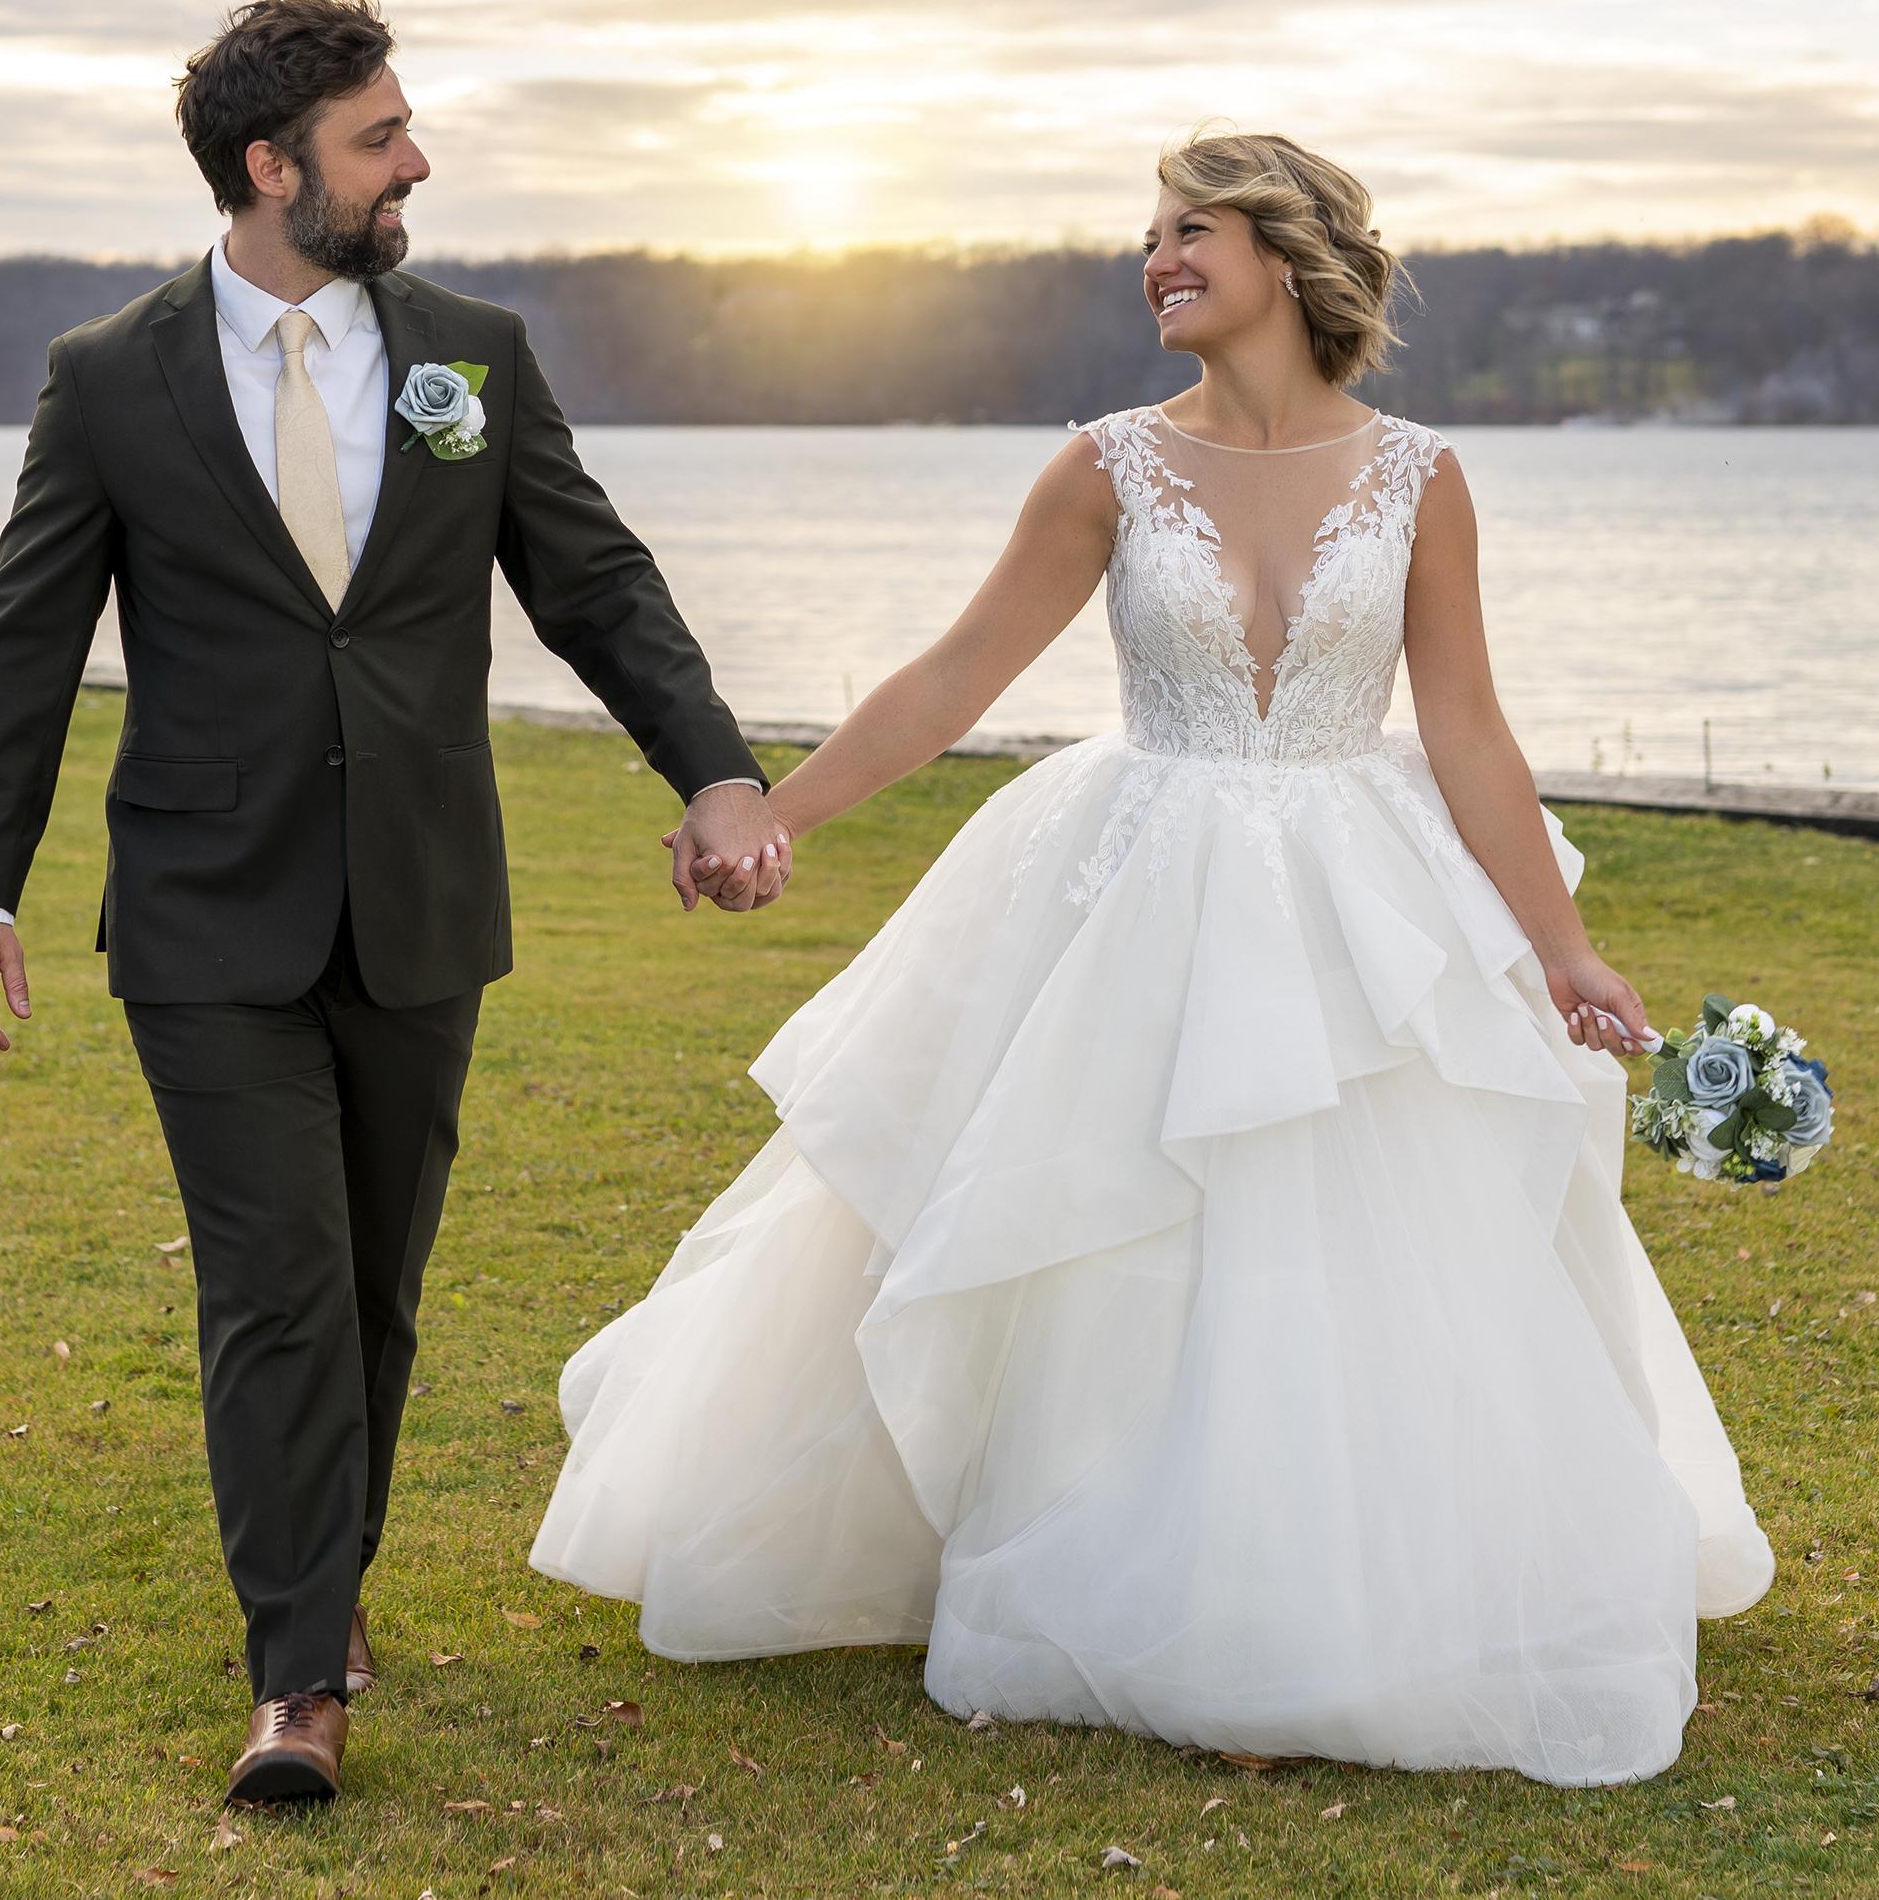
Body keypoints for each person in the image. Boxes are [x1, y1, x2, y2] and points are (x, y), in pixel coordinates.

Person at [533, 130, 1771, 1782]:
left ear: (1290, 253)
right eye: (1150, 236)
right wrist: (773, 811)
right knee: (1111, 1215)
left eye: (1193, 230)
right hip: (1139, 881)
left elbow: (1468, 724)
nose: (1157, 259)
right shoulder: (1106, 466)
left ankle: (1329, 1571)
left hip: (1355, 893)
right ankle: (1095, 1542)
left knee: (1350, 1224)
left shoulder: (1422, 477)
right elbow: (956, 674)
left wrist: (1565, 946)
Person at [0, 0, 787, 1808]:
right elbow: (25, 642)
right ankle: (298, 1673)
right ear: (272, 165)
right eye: (381, 136)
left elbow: (596, 582)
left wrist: (712, 768)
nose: (417, 162)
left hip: (418, 895)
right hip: (202, 910)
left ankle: (329, 1570)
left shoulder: (471, 351)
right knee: (278, 1287)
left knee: (377, 1288)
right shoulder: (110, 376)